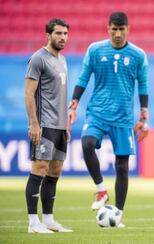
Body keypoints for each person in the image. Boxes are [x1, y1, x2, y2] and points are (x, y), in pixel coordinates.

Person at [68, 12, 149, 226]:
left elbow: (143, 85)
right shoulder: (95, 50)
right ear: (108, 28)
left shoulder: (138, 55)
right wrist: (74, 102)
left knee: (122, 166)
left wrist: (144, 113)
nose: (118, 33)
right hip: (97, 112)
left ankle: (118, 213)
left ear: (128, 29)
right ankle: (101, 190)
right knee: (87, 143)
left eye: (122, 29)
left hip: (123, 117)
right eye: (114, 29)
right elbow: (83, 77)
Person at [25, 18, 73, 234]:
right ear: (48, 35)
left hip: (61, 126)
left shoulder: (63, 60)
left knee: (55, 171)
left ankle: (49, 220)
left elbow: (60, 95)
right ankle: (33, 223)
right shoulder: (38, 59)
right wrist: (34, 123)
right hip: (44, 125)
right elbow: (28, 93)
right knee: (39, 169)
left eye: (65, 34)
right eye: (58, 34)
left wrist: (67, 125)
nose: (62, 37)